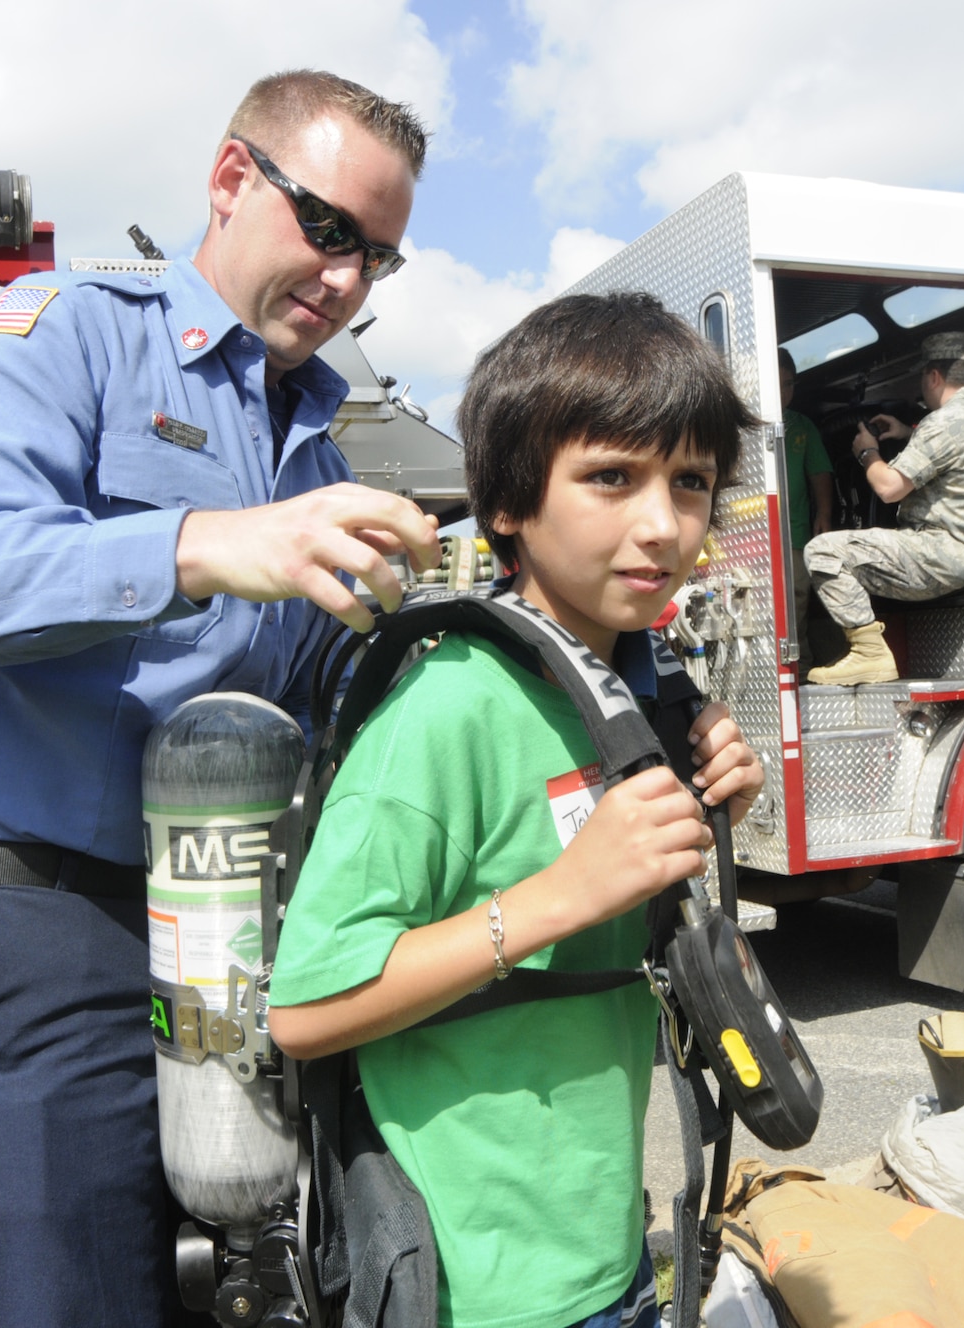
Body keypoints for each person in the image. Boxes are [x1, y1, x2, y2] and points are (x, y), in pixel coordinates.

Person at [0, 71, 441, 1327]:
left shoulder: (317, 449)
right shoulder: (65, 330)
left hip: (220, 937)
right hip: (28, 934)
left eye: (376, 260)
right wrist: (195, 546)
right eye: (328, 229)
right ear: (231, 179)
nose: (344, 281)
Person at [267, 293, 766, 1328]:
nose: (661, 523)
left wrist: (713, 805)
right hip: (473, 1292)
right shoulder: (447, 707)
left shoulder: (635, 685)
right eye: (609, 478)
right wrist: (557, 895)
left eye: (689, 483)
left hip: (610, 1259)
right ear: (505, 505)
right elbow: (303, 1011)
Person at [802, 330, 964, 686]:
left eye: (923, 376)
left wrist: (866, 452)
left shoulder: (946, 421)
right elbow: (951, 451)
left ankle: (870, 654)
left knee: (824, 552)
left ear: (934, 376)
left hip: (946, 552)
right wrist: (909, 432)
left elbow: (889, 488)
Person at [778, 347, 836, 638]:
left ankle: (799, 667)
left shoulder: (802, 426)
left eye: (788, 384)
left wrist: (824, 513)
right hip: (750, 536)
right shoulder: (742, 425)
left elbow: (819, 472)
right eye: (776, 384)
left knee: (796, 596)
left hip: (795, 532)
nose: (783, 392)